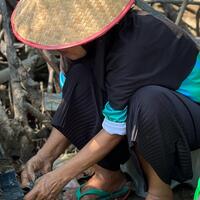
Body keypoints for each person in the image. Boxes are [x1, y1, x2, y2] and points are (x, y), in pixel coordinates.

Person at [11, 0, 200, 200]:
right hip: (141, 123)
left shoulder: (135, 42)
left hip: (188, 115)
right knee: (80, 79)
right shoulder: (76, 51)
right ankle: (108, 177)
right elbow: (74, 103)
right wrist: (45, 155)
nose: (57, 48)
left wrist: (61, 176)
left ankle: (159, 191)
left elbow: (115, 128)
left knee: (147, 101)